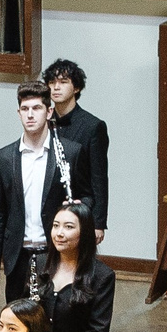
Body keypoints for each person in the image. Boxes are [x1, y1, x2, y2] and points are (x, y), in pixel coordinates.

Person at [0, 81, 70, 302]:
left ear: (49, 112)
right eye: (25, 109)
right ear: (19, 113)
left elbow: (85, 197)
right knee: (16, 317)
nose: (30, 115)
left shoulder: (70, 152)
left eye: (37, 108)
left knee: (54, 317)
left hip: (55, 253)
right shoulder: (3, 157)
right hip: (17, 256)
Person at [41, 57, 112, 240]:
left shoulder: (93, 126)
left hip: (78, 205)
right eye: (52, 82)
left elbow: (98, 177)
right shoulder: (42, 121)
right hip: (47, 207)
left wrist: (98, 222)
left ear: (76, 88)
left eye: (63, 82)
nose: (56, 87)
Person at [41, 202, 115, 332]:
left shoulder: (102, 276)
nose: (59, 233)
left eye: (68, 227)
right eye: (55, 225)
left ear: (85, 232)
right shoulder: (38, 264)